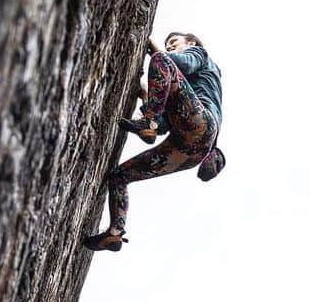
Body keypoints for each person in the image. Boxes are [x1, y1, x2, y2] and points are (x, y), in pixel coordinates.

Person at [84, 31, 222, 251]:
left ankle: (147, 122)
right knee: (119, 176)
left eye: (174, 43)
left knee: (161, 61)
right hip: (190, 152)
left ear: (191, 42)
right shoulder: (182, 96)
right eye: (168, 44)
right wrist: (145, 97)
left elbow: (180, 64)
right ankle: (115, 233)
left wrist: (152, 46)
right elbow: (165, 124)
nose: (170, 47)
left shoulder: (200, 53)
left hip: (202, 123)